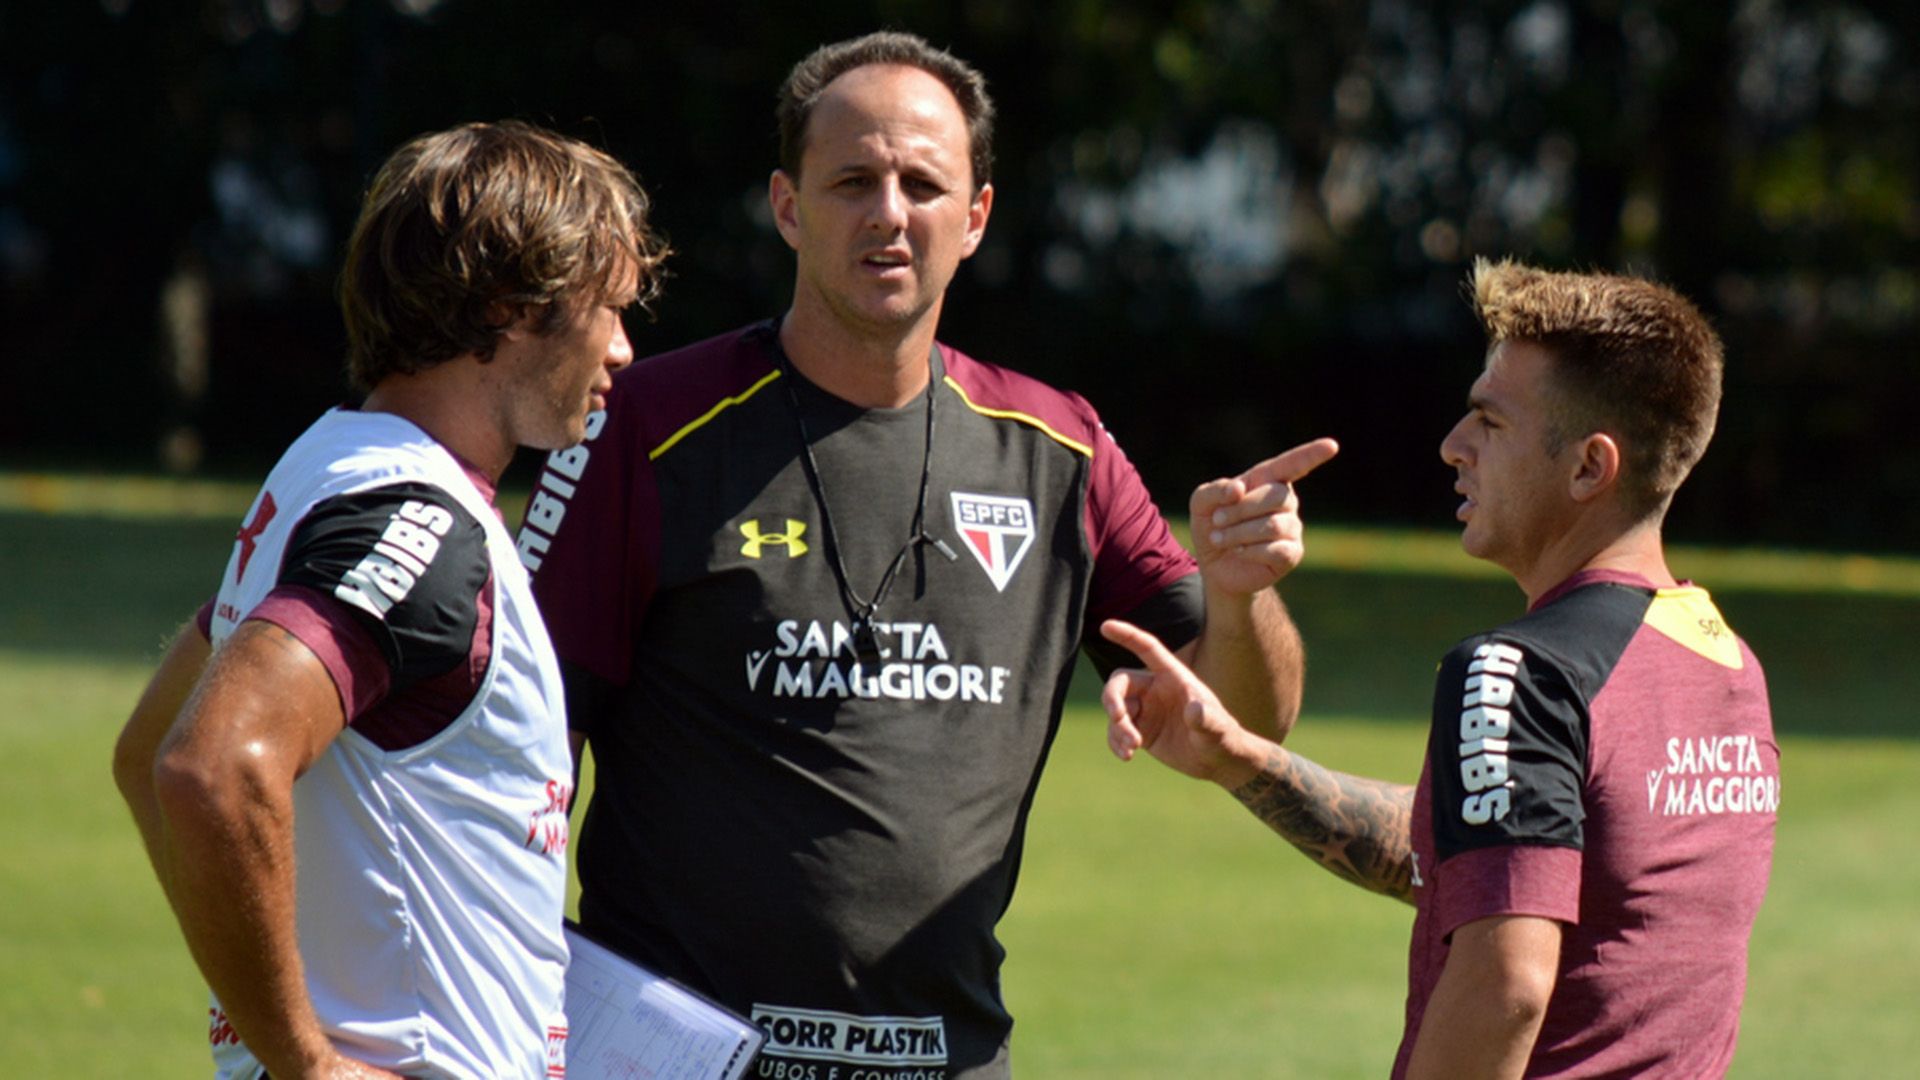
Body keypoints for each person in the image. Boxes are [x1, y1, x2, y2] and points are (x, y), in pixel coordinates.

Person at [517, 30, 1331, 1080]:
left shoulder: (1062, 450)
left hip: (944, 1060)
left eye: (922, 183)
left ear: (977, 216)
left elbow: (1252, 717)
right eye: (852, 180)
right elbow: (519, 744)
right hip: (676, 1059)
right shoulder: (644, 425)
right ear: (787, 206)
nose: (888, 213)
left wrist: (1240, 595)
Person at [1100, 258, 1779, 1078]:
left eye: (1489, 423)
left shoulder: (1517, 673)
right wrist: (1244, 760)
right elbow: (1486, 854)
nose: (1453, 447)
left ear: (1589, 468)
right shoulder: (1727, 664)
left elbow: (1508, 987)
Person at [111, 119, 668, 1079]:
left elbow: (144, 748)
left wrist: (264, 1032)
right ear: (508, 306)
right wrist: (306, 1060)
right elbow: (206, 767)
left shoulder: (333, 469)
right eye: (605, 309)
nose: (622, 348)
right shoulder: (416, 525)